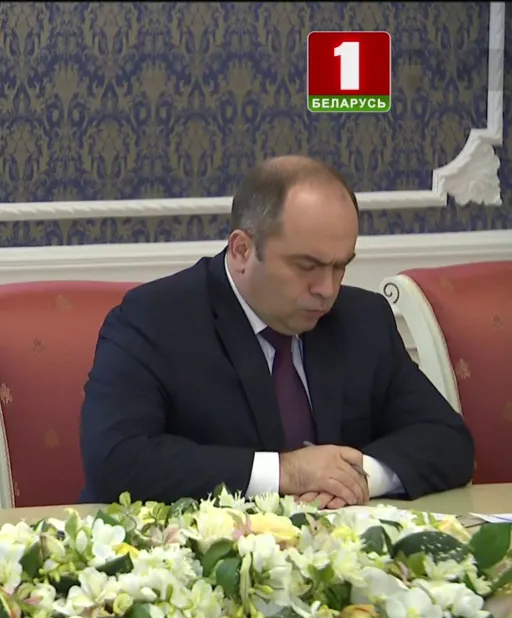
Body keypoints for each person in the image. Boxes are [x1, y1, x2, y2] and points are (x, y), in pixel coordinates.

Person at [79, 155, 474, 508]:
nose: (327, 289)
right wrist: (286, 473)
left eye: (340, 266)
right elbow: (116, 460)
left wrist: (355, 477)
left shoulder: (362, 318)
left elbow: (447, 440)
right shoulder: (154, 319)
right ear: (242, 250)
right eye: (306, 266)